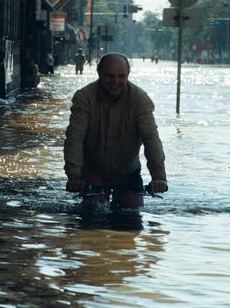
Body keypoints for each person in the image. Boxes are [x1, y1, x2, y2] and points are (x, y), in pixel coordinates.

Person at [63, 52, 168, 210]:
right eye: (109, 76)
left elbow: (151, 138)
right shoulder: (84, 97)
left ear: (128, 75)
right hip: (93, 169)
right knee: (93, 212)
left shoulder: (140, 100)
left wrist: (159, 177)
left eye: (121, 76)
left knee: (132, 216)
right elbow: (74, 138)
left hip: (127, 172)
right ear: (99, 74)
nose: (115, 82)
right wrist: (74, 176)